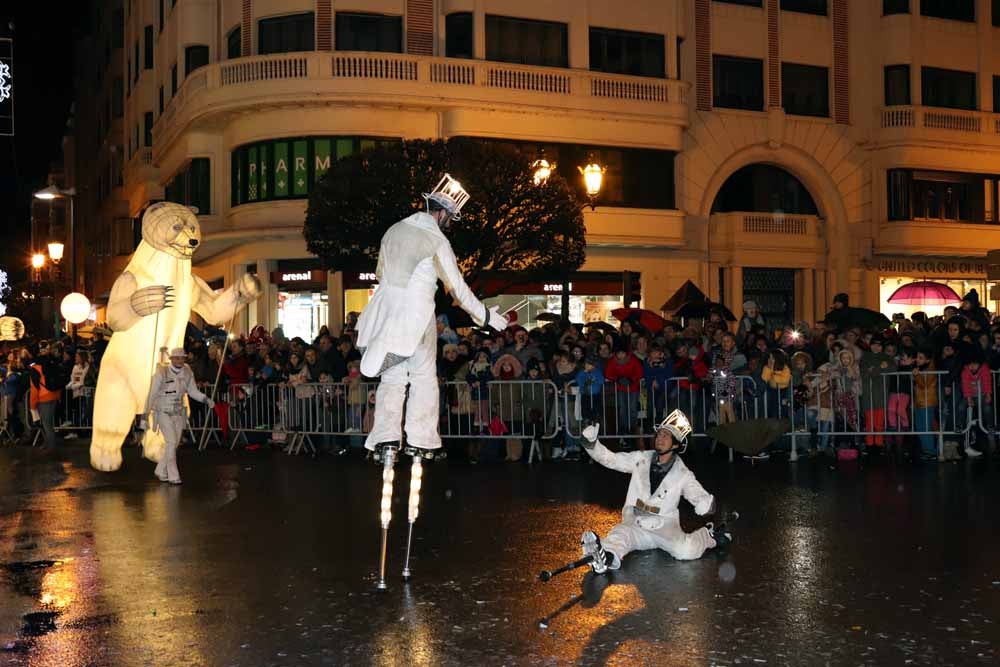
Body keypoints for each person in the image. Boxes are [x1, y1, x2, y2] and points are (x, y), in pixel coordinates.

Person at [358, 176, 508, 456]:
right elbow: (457, 288)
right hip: (416, 316)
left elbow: (380, 273)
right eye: (450, 218)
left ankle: (386, 437)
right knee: (423, 376)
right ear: (443, 213)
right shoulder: (437, 239)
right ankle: (421, 439)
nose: (449, 224)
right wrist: (485, 316)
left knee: (392, 379)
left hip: (384, 313)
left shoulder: (392, 230)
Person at [577, 411, 733, 574]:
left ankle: (708, 536)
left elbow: (698, 494)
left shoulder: (683, 474)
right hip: (635, 521)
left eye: (666, 436)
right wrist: (592, 444)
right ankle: (605, 557)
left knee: (686, 551)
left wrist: (705, 503)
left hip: (664, 526)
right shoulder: (640, 458)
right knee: (620, 535)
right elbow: (611, 459)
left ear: (675, 445)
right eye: (659, 434)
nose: (660, 438)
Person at [142, 348, 215, 484]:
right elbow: (151, 394)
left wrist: (206, 399)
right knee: (171, 442)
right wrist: (144, 415)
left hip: (178, 412)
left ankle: (160, 470)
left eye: (182, 358)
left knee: (174, 444)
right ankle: (173, 475)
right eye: (177, 358)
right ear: (171, 359)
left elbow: (192, 391)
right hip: (163, 412)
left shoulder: (187, 372)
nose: (180, 360)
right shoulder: (161, 372)